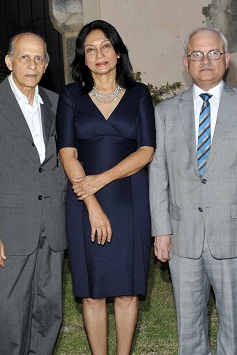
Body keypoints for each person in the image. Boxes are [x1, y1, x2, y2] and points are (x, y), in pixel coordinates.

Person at [149, 27, 237, 355]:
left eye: (213, 53)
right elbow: (158, 175)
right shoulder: (163, 113)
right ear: (186, 62)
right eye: (197, 54)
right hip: (182, 238)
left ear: (227, 59)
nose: (206, 60)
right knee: (188, 328)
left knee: (234, 326)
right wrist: (161, 230)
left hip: (236, 237)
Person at [56, 20, 156, 355]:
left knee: (127, 290)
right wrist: (92, 202)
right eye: (90, 48)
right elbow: (68, 154)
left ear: (117, 51)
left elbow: (146, 151)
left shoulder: (139, 94)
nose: (99, 54)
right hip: (83, 200)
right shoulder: (70, 96)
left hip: (130, 199)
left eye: (106, 46)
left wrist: (102, 179)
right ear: (83, 58)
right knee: (93, 291)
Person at [0, 32, 67, 355]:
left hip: (52, 226)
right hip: (9, 230)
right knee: (12, 312)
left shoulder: (57, 103)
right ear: (9, 62)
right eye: (24, 57)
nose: (32, 65)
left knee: (49, 311)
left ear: (47, 65)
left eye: (39, 58)